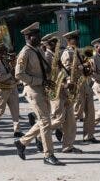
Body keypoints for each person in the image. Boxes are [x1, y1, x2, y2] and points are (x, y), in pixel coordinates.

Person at [13, 22, 64, 165]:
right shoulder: (24, 52)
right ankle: (48, 155)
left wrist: (54, 66)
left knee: (44, 120)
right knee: (46, 122)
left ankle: (22, 142)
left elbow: (44, 67)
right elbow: (18, 74)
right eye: (36, 35)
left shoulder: (38, 50)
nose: (39, 37)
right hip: (33, 90)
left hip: (44, 88)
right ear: (29, 37)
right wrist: (40, 81)